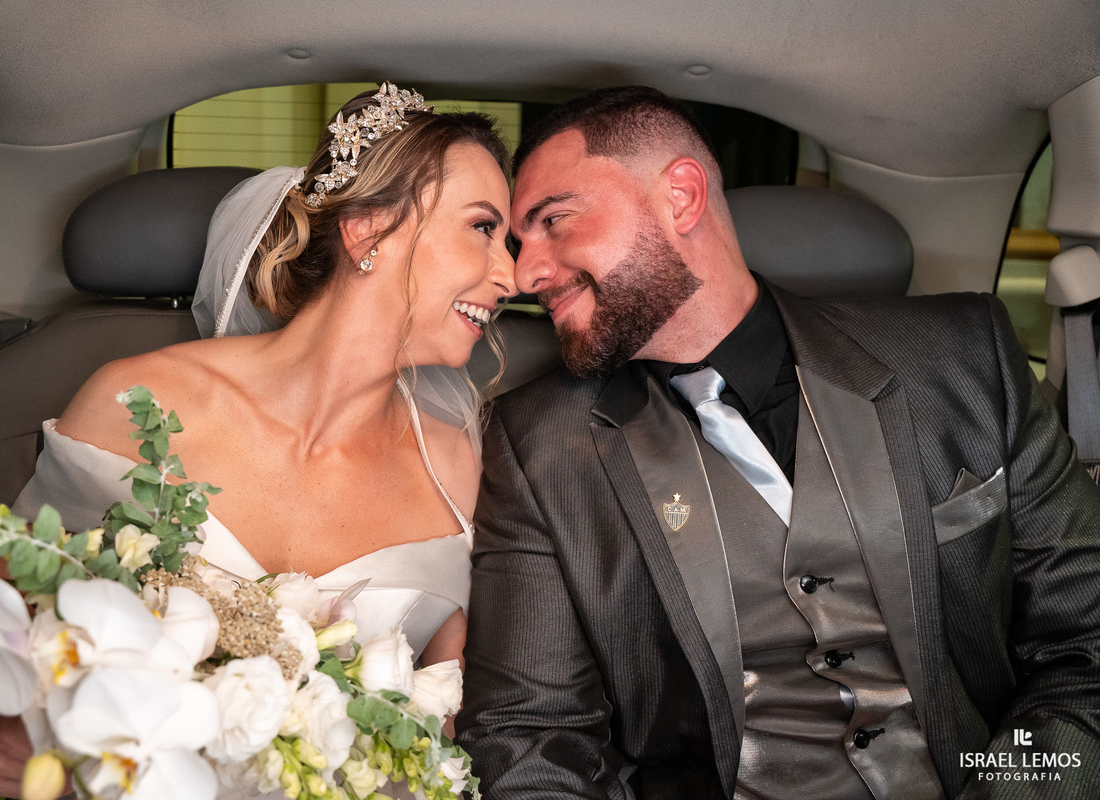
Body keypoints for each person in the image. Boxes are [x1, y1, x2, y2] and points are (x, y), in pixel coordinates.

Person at [456, 85, 1100, 799]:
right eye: (519, 241)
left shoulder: (963, 358)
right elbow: (530, 734)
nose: (524, 271)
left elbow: (1088, 647)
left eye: (554, 221)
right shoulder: (540, 444)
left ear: (681, 196)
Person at [0, 83, 517, 798]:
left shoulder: (463, 470)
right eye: (482, 228)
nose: (509, 276)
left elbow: (451, 712)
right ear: (368, 229)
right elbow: (8, 606)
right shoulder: (135, 403)